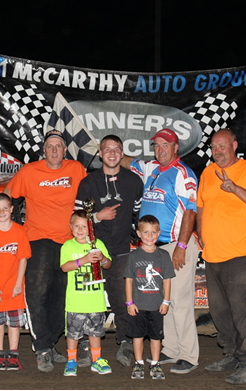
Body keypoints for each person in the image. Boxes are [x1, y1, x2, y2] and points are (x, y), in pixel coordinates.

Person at [3, 129, 86, 372]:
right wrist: (6, 226)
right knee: (37, 295)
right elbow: (7, 195)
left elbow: (89, 196)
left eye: (58, 146)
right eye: (49, 146)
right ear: (44, 150)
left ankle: (49, 343)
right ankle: (42, 349)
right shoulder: (29, 171)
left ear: (65, 150)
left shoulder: (76, 169)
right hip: (37, 240)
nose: (54, 150)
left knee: (61, 299)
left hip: (69, 243)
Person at [196, 128, 246, 385]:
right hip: (212, 254)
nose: (218, 151)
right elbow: (200, 207)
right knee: (219, 311)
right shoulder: (207, 173)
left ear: (234, 145)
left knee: (242, 310)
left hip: (240, 253)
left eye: (222, 146)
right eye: (214, 147)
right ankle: (230, 354)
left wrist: (235, 188)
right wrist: (200, 233)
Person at [120, 128, 200, 375]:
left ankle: (189, 354)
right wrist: (106, 151)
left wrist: (182, 247)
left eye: (166, 145)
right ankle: (172, 349)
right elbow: (124, 160)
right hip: (154, 247)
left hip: (177, 244)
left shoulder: (183, 173)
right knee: (163, 300)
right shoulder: (150, 168)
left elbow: (190, 211)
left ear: (176, 148)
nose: (160, 149)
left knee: (180, 301)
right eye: (156, 145)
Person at [75, 134, 143, 367]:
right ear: (100, 153)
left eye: (117, 149)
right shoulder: (88, 183)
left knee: (123, 298)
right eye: (107, 149)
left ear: (122, 154)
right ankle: (84, 344)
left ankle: (125, 343)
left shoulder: (134, 182)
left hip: (122, 250)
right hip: (91, 251)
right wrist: (98, 216)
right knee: (86, 298)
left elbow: (138, 215)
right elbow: (78, 218)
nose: (112, 153)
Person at [0, 193, 31, 371]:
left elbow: (22, 259)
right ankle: (0, 355)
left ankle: (13, 354)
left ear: (12, 209)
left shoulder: (19, 231)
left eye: (5, 208)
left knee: (14, 323)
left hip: (14, 287)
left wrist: (18, 284)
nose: (1, 211)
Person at [60, 210, 113, 377]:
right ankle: (71, 361)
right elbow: (64, 267)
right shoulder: (68, 246)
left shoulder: (98, 243)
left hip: (95, 300)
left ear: (90, 228)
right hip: (75, 301)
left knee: (95, 332)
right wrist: (83, 260)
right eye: (77, 226)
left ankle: (96, 360)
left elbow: (108, 265)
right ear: (71, 227)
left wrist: (103, 258)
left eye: (84, 226)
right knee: (73, 333)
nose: (80, 230)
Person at [125, 215, 175, 381]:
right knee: (137, 336)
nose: (150, 236)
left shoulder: (164, 255)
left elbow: (167, 281)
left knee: (156, 337)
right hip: (138, 306)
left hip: (156, 306)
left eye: (153, 232)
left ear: (159, 233)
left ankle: (155, 363)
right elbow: (129, 281)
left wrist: (166, 301)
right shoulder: (133, 256)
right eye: (146, 232)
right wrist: (130, 302)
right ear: (138, 234)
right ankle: (138, 363)